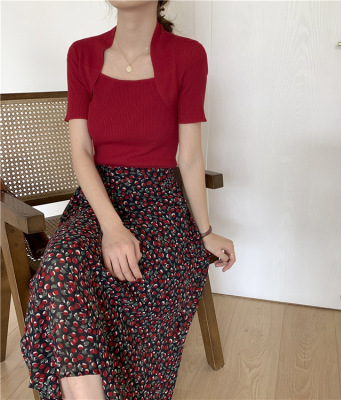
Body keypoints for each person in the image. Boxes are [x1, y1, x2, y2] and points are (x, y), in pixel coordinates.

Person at [20, 0, 236, 399]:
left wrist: (205, 232)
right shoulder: (82, 54)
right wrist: (112, 227)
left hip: (160, 201)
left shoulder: (188, 55)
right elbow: (81, 151)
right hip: (98, 200)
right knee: (61, 266)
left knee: (153, 269)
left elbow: (189, 157)